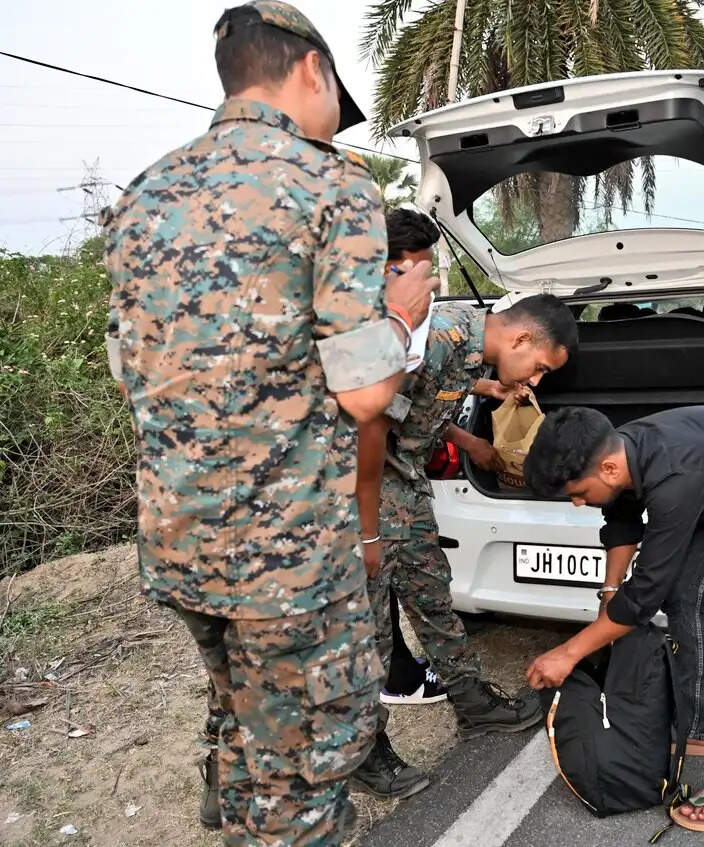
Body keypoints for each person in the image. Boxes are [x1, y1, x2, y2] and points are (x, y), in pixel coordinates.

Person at [102, 2, 438, 842]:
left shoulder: (145, 193)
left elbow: (125, 367)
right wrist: (399, 317)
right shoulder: (331, 184)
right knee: (303, 772)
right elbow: (366, 396)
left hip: (177, 541)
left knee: (240, 710)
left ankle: (231, 802)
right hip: (287, 562)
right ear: (311, 70)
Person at [523, 405, 704, 832]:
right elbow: (623, 521)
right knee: (684, 598)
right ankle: (699, 724)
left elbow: (645, 593)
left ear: (607, 468)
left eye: (577, 493)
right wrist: (609, 596)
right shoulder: (619, 454)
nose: (576, 503)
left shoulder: (676, 476)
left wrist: (569, 652)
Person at [353, 286, 578, 799]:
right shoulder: (439, 335)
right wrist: (364, 525)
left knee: (433, 594)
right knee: (369, 628)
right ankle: (363, 748)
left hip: (403, 486)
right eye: (539, 367)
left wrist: (482, 411)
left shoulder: (468, 349)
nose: (535, 381)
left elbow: (426, 405)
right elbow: (364, 417)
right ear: (520, 337)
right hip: (365, 491)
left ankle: (472, 700)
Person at [377, 209, 450, 707]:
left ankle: (400, 674)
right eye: (420, 272)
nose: (429, 284)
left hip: (376, 483)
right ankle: (397, 680)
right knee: (373, 597)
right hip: (363, 488)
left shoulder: (401, 323)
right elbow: (371, 420)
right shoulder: (369, 326)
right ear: (390, 270)